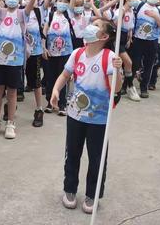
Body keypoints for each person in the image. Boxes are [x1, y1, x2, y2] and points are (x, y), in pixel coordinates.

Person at [51, 21, 123, 214]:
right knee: (72, 154)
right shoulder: (77, 53)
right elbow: (65, 75)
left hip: (99, 119)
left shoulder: (109, 57)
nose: (91, 25)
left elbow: (116, 89)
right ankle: (70, 189)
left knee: (97, 158)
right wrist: (56, 90)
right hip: (75, 115)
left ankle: (93, 194)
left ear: (104, 37)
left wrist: (117, 70)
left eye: (97, 25)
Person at [0, 0, 40, 139]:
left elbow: (31, 3)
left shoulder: (22, 14)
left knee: (12, 92)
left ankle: (11, 122)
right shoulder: (0, 13)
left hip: (16, 61)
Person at [130, 0, 160, 98]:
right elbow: (127, 0)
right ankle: (128, 85)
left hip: (152, 42)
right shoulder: (140, 5)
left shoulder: (159, 10)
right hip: (138, 40)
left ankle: (144, 87)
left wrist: (156, 17)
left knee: (149, 65)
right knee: (134, 64)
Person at [23, 0, 46, 127]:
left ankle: (39, 109)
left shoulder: (39, 11)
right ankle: (10, 108)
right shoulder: (20, 10)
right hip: (19, 53)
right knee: (14, 83)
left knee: (36, 82)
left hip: (35, 52)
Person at [114, 0, 141, 101]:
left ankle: (124, 86)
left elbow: (130, 26)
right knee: (127, 62)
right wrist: (123, 11)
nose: (136, 1)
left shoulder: (131, 11)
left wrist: (129, 38)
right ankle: (130, 87)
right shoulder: (121, 10)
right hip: (117, 39)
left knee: (127, 64)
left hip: (126, 38)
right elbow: (116, 23)